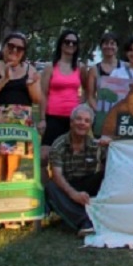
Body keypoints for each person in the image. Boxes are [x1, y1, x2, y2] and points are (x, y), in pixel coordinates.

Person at [0, 32, 42, 183]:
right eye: (11, 46)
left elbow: (37, 99)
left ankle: (6, 201)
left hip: (19, 125)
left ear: (24, 52)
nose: (15, 51)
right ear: (3, 47)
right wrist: (4, 79)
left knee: (12, 170)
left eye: (20, 48)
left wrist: (31, 84)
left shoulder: (29, 70)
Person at [44, 104, 107, 237]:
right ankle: (84, 222)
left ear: (90, 125)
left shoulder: (96, 145)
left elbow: (114, 165)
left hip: (87, 183)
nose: (82, 123)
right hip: (66, 185)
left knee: (105, 175)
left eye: (86, 121)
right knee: (50, 186)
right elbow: (57, 175)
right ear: (71, 122)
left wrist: (112, 145)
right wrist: (73, 194)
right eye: (78, 119)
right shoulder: (59, 144)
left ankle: (109, 216)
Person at [40, 29, 86, 169]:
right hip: (53, 116)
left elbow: (87, 89)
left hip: (73, 118)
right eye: (67, 42)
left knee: (70, 155)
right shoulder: (50, 67)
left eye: (74, 43)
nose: (70, 45)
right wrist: (42, 119)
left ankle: (66, 188)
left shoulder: (80, 67)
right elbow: (43, 93)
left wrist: (81, 106)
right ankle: (44, 188)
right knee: (45, 156)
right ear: (61, 44)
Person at [87, 32, 124, 112]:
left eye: (112, 44)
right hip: (101, 112)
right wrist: (99, 112)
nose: (109, 46)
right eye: (106, 43)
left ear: (117, 47)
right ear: (101, 47)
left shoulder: (126, 67)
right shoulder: (94, 69)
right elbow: (90, 97)